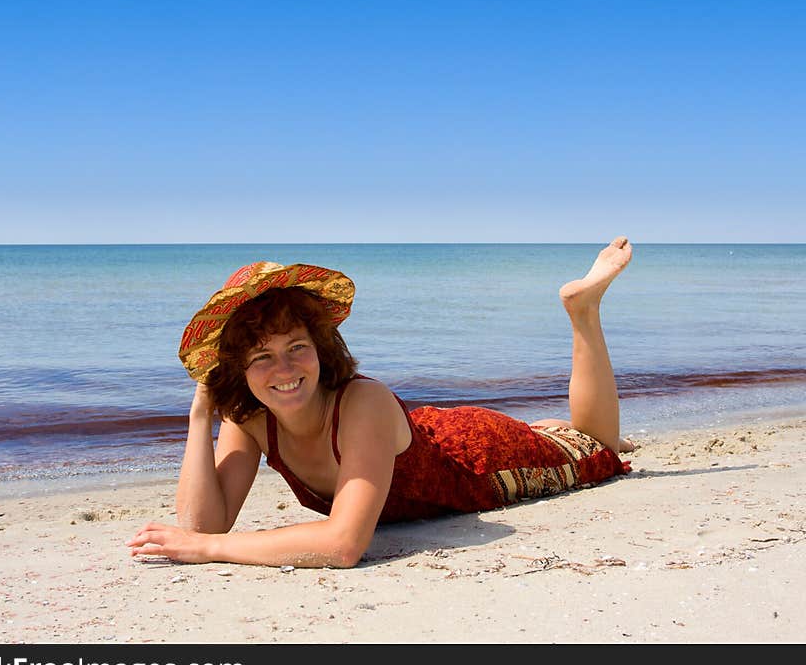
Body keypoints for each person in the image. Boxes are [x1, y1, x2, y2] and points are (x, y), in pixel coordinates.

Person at [127, 237, 634, 568]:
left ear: (320, 348)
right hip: (421, 432)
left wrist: (212, 550)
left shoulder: (361, 400)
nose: (283, 370)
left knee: (599, 449)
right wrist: (201, 414)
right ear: (236, 369)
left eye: (296, 347)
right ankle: (548, 423)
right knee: (564, 433)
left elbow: (343, 545)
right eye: (261, 355)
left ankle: (582, 312)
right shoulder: (251, 419)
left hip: (474, 459)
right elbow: (200, 524)